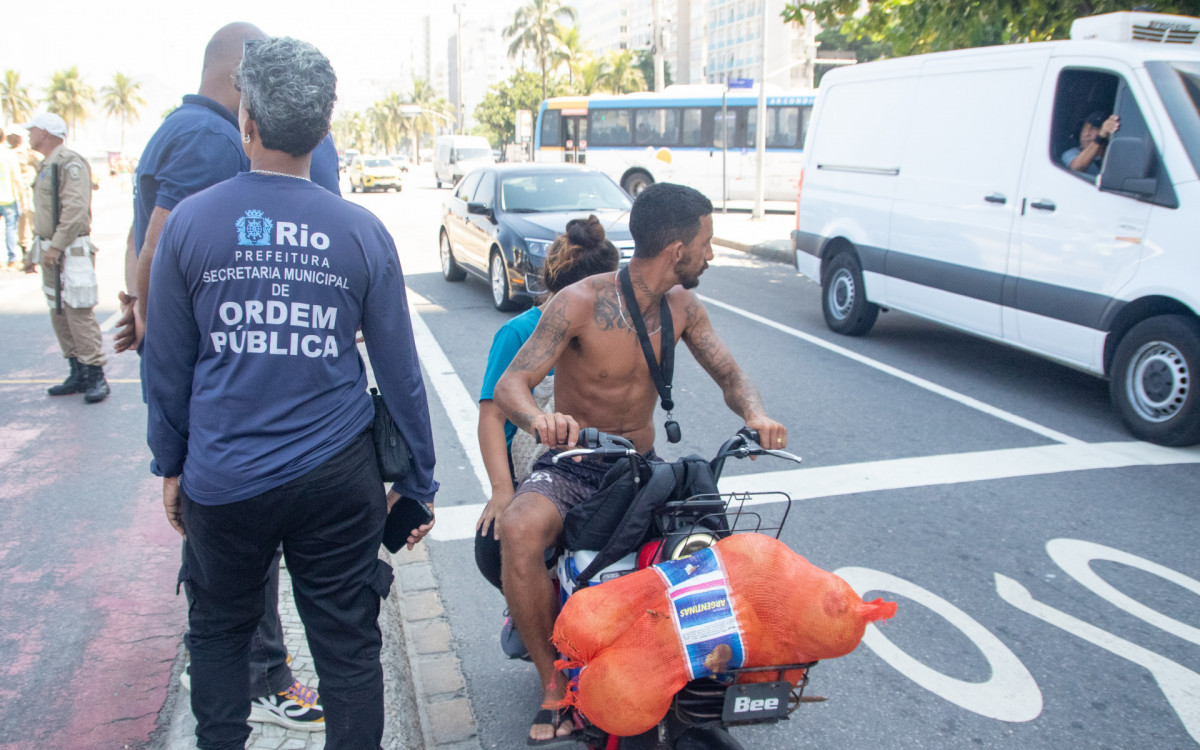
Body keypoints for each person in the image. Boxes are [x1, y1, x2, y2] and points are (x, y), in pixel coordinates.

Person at [143, 36, 438, 750]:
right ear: (324, 128)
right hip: (337, 478)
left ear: (246, 119)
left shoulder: (190, 225)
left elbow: (168, 368)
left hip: (224, 477)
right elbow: (400, 372)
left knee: (219, 634)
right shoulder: (362, 232)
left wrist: (171, 465)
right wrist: (418, 480)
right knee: (347, 645)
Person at [493, 182, 787, 743]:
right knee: (520, 528)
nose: (711, 254)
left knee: (704, 552)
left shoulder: (684, 307)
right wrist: (538, 421)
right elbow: (512, 385)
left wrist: (756, 414)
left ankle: (688, 676)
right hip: (575, 463)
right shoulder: (579, 302)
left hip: (641, 466)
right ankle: (554, 685)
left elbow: (729, 374)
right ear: (677, 250)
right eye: (706, 243)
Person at [114, 22, 338, 731]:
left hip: (214, 371)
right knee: (245, 538)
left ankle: (231, 665)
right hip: (238, 383)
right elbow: (161, 245)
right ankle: (262, 676)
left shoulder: (176, 128)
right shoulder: (213, 140)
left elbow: (144, 238)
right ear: (246, 85)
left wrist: (142, 310)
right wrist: (152, 317)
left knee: (227, 544)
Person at [473, 217, 620, 646]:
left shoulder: (613, 329)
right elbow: (491, 416)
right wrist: (502, 491)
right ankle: (526, 608)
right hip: (533, 470)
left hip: (594, 463)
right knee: (494, 543)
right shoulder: (519, 332)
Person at [25, 112, 109, 403]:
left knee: (78, 311)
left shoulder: (69, 162)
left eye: (33, 130)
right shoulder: (47, 164)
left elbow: (74, 211)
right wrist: (35, 251)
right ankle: (77, 371)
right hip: (52, 249)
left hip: (70, 250)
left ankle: (95, 374)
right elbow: (44, 215)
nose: (29, 135)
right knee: (58, 312)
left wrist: (56, 246)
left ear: (45, 132)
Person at [7, 130, 40, 270]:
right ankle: (26, 254)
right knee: (22, 225)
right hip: (16, 193)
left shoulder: (27, 152)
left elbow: (41, 164)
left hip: (27, 192)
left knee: (31, 224)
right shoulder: (9, 153)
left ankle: (32, 255)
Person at [1062, 110, 1120, 179]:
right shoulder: (1070, 154)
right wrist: (1100, 137)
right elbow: (1076, 168)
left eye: (1093, 129)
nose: (1086, 134)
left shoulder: (1113, 157)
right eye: (1084, 128)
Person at [0, 128, 21, 270]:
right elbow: (17, 177)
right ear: (3, 138)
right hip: (8, 197)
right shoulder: (9, 154)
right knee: (10, 228)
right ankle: (12, 259)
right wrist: (22, 197)